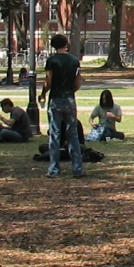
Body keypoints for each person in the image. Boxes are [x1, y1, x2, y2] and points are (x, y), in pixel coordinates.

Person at [43, 32, 84, 177]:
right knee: (72, 134)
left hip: (56, 98)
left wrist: (43, 93)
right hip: (69, 99)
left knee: (55, 134)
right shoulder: (74, 61)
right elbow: (78, 81)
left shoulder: (52, 61)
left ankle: (54, 169)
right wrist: (71, 90)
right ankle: (77, 168)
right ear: (66, 44)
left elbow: (48, 82)